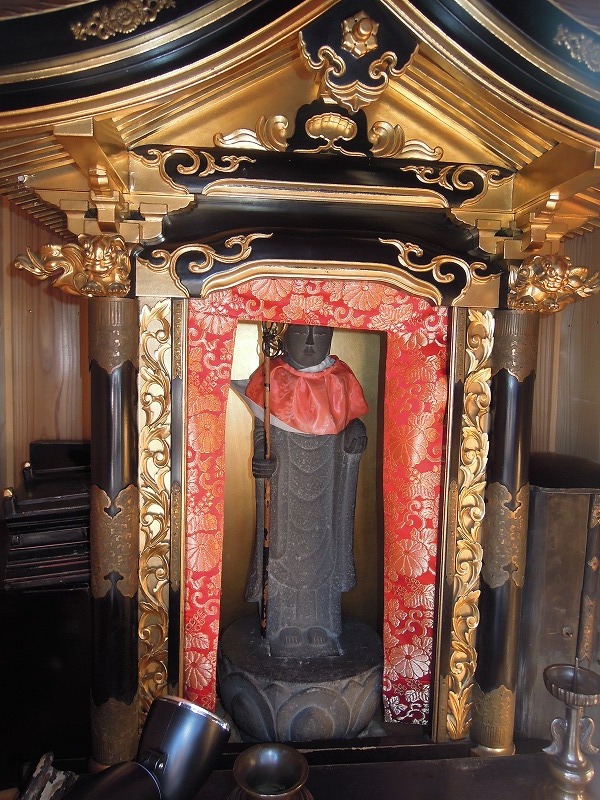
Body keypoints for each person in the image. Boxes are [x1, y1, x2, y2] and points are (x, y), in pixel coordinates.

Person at [241, 324, 368, 657]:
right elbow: (262, 430)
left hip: (327, 481)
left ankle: (321, 624)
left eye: (320, 334)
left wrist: (355, 434)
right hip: (284, 483)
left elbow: (351, 422)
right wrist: (262, 459)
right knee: (282, 549)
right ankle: (283, 625)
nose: (311, 342)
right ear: (284, 336)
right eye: (301, 334)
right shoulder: (271, 378)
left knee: (321, 550)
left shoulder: (340, 379)